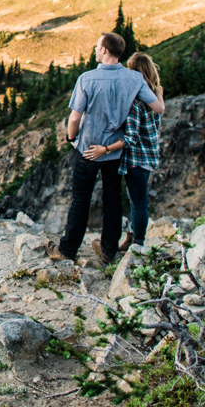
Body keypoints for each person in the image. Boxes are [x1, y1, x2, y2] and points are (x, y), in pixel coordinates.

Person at [46, 32, 164, 265]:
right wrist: (158, 88)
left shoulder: (87, 79)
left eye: (97, 47)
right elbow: (157, 108)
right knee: (113, 200)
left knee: (80, 200)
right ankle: (109, 250)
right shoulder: (134, 79)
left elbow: (74, 119)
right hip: (114, 151)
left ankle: (68, 249)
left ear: (105, 51)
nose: (95, 50)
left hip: (88, 149)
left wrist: (71, 140)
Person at [119, 51, 163, 251]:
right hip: (149, 155)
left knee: (138, 202)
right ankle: (134, 237)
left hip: (136, 157)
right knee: (138, 200)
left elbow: (132, 136)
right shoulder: (155, 96)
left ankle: (137, 243)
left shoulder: (137, 101)